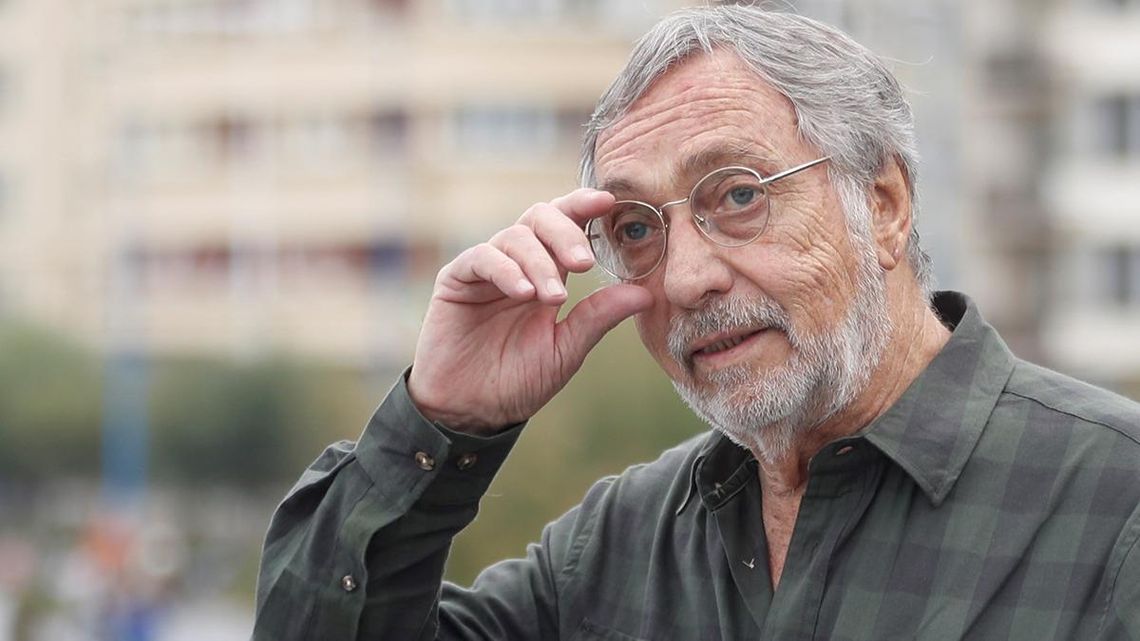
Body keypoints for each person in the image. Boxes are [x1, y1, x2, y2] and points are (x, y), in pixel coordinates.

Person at [252, 6, 1140, 640]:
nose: (686, 277)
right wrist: (441, 418)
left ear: (884, 205)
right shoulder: (620, 545)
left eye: (740, 195)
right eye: (638, 229)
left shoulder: (1113, 505)